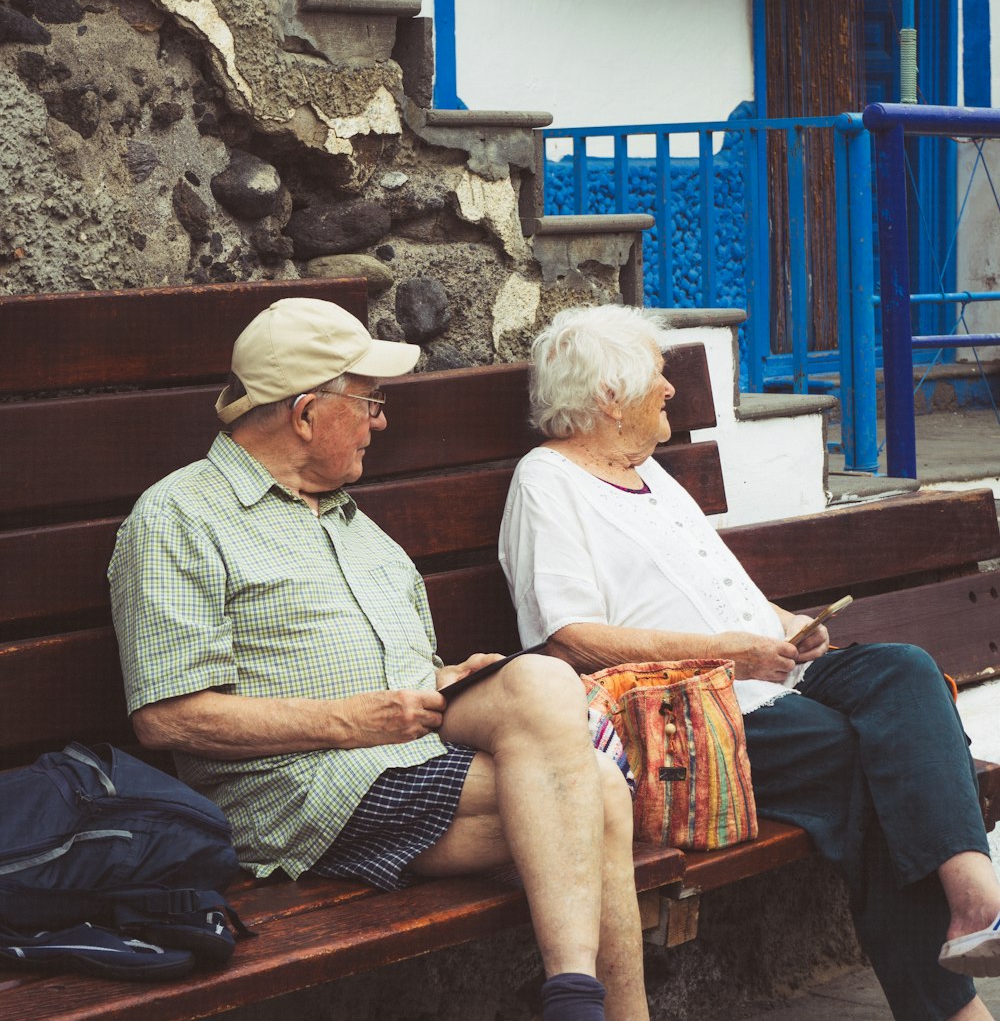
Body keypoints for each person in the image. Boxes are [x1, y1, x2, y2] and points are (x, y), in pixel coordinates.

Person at [108, 297, 647, 1021]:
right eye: (368, 402)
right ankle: (590, 1006)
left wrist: (441, 680)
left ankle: (576, 1001)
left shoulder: (355, 524)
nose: (381, 420)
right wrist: (350, 722)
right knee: (600, 792)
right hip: (297, 791)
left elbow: (401, 672)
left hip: (405, 754)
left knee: (542, 680)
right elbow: (168, 720)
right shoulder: (179, 517)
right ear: (305, 414)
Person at [499, 302, 1000, 1021]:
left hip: (768, 679)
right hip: (684, 718)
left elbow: (721, 593)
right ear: (608, 398)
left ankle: (975, 895)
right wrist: (730, 653)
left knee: (905, 671)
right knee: (866, 759)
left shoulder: (651, 475)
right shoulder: (547, 483)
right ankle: (957, 1000)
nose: (670, 389)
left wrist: (787, 624)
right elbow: (567, 639)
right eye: (657, 377)